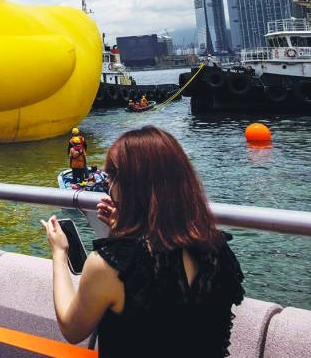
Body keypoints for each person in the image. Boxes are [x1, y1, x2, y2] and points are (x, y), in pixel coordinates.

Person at [42, 126, 245, 356]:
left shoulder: (109, 266)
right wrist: (121, 234)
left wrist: (59, 253)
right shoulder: (217, 250)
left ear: (125, 187)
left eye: (111, 178)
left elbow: (72, 329)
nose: (108, 187)